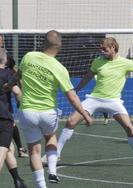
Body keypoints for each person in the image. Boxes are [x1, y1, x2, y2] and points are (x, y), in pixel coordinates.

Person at [43, 37, 133, 167]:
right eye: (101, 49)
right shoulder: (97, 61)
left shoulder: (126, 63)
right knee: (70, 121)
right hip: (94, 99)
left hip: (114, 101)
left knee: (129, 128)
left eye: (105, 49)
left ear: (113, 47)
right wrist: (77, 89)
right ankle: (56, 155)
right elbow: (88, 76)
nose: (102, 51)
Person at [18, 30, 92, 188]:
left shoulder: (28, 56)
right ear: (60, 46)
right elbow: (72, 97)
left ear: (43, 42)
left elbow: (18, 75)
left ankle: (41, 186)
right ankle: (52, 171)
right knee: (51, 138)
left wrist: (10, 85)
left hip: (28, 112)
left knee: (34, 152)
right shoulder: (60, 68)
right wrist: (84, 114)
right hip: (48, 113)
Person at [0, 48, 27, 187]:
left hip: (4, 115)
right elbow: (17, 91)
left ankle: (17, 180)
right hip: (3, 117)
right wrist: (20, 103)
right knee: (3, 149)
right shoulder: (8, 74)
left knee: (9, 148)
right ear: (5, 61)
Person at [0, 33, 28, 158]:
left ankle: (20, 149)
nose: (1, 42)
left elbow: (16, 71)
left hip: (4, 96)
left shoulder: (8, 58)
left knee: (10, 122)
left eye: (1, 40)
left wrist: (22, 89)